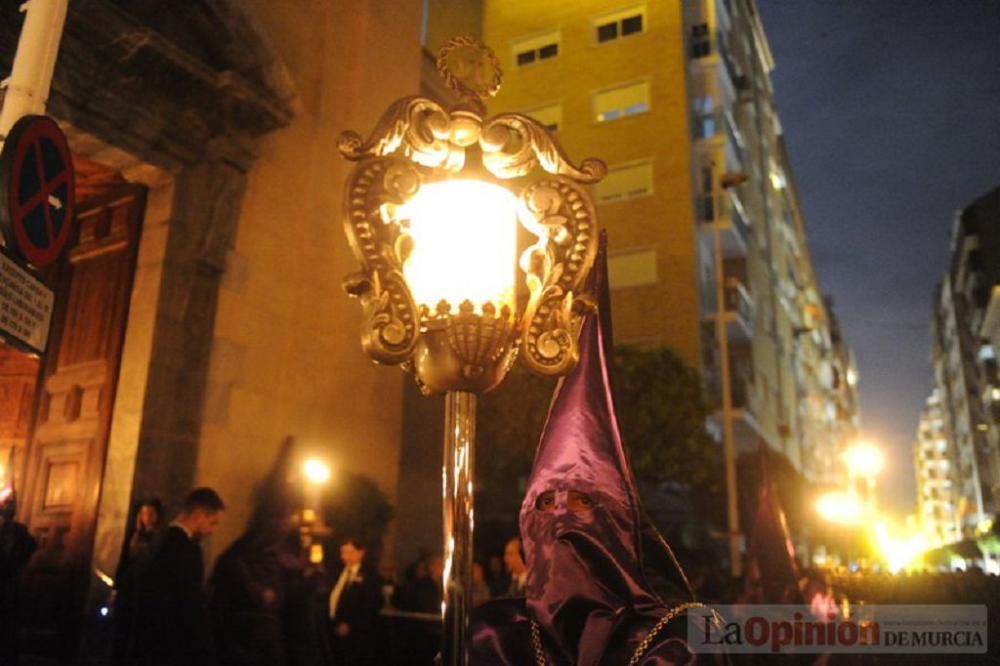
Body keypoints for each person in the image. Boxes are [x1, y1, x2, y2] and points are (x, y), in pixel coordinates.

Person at [471, 236, 708, 665]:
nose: (561, 518)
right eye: (545, 501)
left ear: (618, 519)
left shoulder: (677, 641)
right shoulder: (495, 633)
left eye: (582, 501)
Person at [130, 487, 225, 666]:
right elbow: (191, 606)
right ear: (199, 514)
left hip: (145, 642)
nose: (211, 531)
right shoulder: (188, 551)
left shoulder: (156, 540)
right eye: (212, 523)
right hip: (171, 647)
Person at [113, 497, 164, 665]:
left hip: (144, 587)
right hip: (129, 584)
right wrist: (116, 587)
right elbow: (124, 561)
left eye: (150, 513)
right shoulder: (134, 535)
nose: (146, 516)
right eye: (143, 513)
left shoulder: (159, 538)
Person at [327, 536, 382, 665]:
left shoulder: (370, 575)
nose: (345, 556)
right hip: (334, 628)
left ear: (361, 553)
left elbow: (370, 605)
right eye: (343, 552)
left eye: (350, 552)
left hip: (357, 633)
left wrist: (350, 625)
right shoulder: (338, 572)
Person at [0, 482, 36, 665]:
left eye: (10, 502)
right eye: (5, 501)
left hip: (8, 591)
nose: (7, 505)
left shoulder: (20, 533)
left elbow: (26, 550)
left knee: (7, 636)